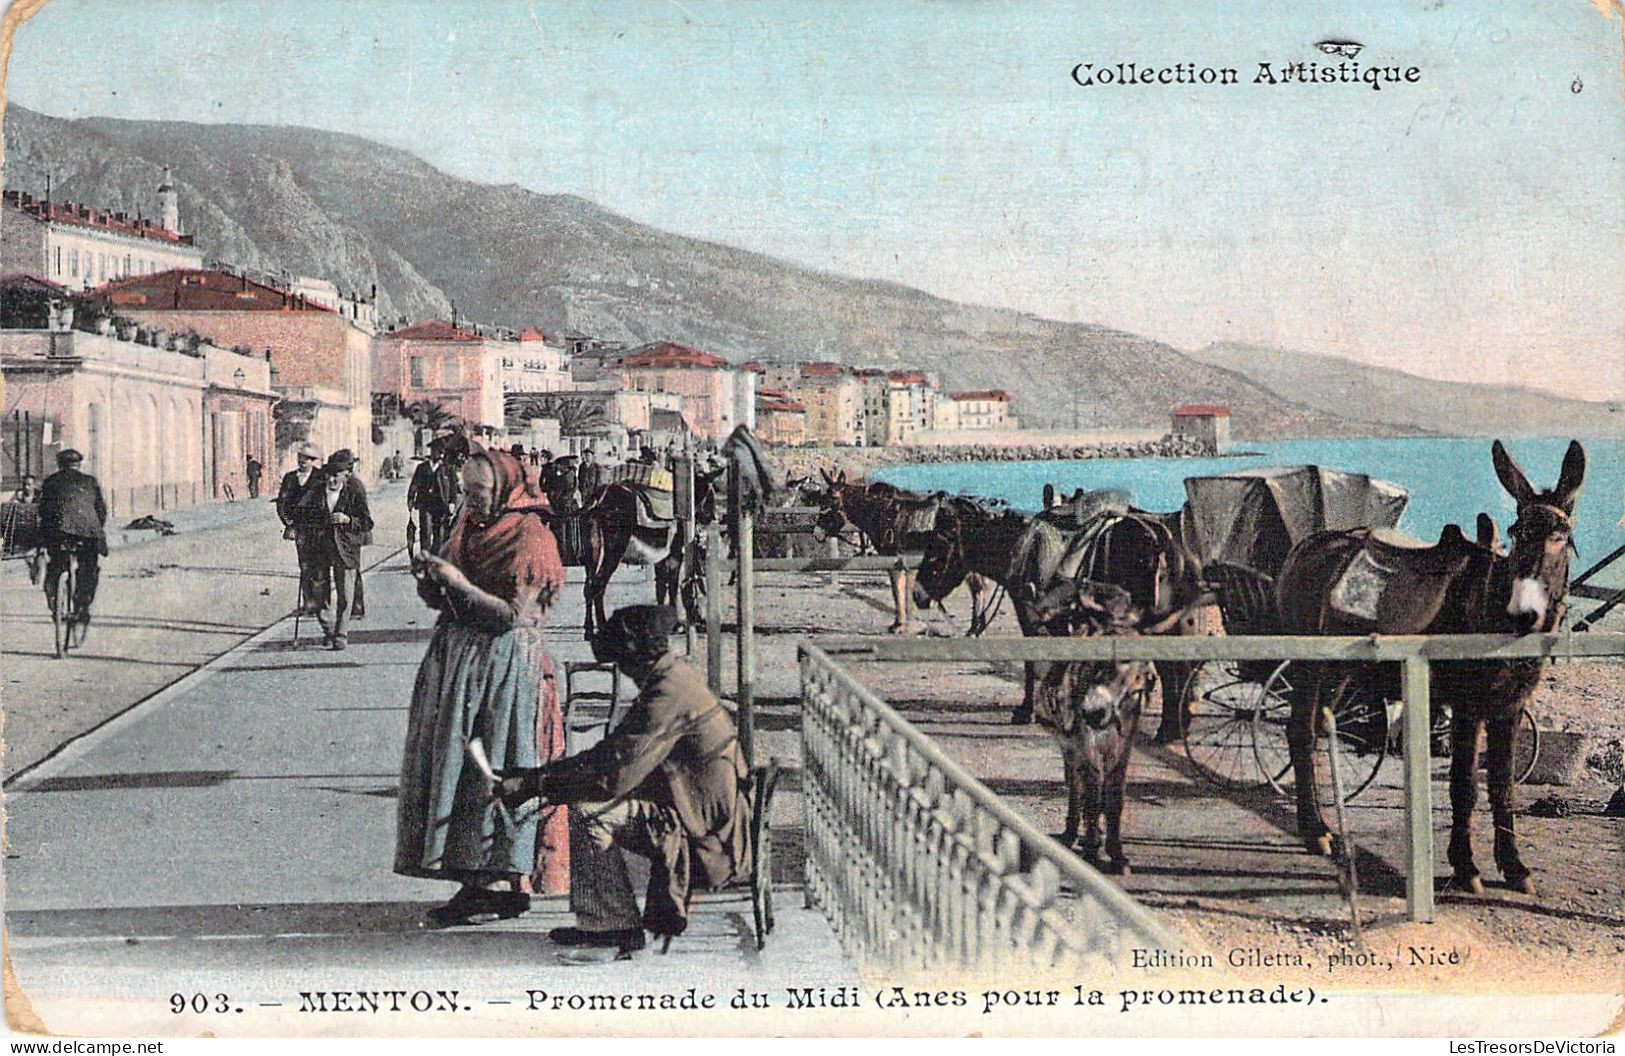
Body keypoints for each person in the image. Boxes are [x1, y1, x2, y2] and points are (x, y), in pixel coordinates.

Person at [496, 604, 751, 954]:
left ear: (638, 658)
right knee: (588, 802)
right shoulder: (673, 677)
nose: (624, 674)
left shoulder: (666, 694)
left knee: (589, 812)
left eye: (621, 664)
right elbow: (612, 754)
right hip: (701, 811)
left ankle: (613, 925)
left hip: (708, 833)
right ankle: (606, 921)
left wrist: (537, 785)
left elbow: (613, 777)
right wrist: (539, 778)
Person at [396, 446, 570, 924]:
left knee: (495, 765)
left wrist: (459, 583)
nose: (469, 500)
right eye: (466, 491)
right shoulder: (467, 526)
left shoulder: (530, 535)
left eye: (479, 492)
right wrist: (432, 581)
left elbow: (517, 617)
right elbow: (447, 596)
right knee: (457, 771)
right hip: (461, 664)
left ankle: (504, 882)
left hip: (506, 670)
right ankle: (476, 882)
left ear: (506, 490)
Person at [292, 449, 373, 650]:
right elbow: (300, 514)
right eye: (328, 475)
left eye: (336, 475)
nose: (332, 479)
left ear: (346, 475)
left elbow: (366, 522)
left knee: (346, 594)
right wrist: (297, 526)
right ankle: (330, 629)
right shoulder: (316, 492)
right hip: (319, 549)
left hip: (345, 550)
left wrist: (348, 519)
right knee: (319, 594)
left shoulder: (354, 491)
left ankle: (341, 634)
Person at [37, 450, 108, 641]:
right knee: (89, 569)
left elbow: (42, 511)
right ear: (78, 465)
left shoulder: (50, 482)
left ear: (60, 465)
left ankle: (55, 603)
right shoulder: (90, 482)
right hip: (87, 534)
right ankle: (82, 607)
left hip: (58, 534)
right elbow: (101, 511)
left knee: (55, 567)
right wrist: (96, 529)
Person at [277, 444, 323, 614]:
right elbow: (282, 503)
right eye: (302, 458)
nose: (304, 462)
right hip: (300, 529)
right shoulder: (290, 478)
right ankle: (308, 603)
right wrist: (289, 523)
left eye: (308, 459)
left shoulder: (321, 478)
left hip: (319, 529)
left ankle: (321, 603)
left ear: (313, 461)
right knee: (305, 566)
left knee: (319, 567)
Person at [407, 441, 455, 555]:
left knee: (439, 532)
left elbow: (453, 487)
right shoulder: (422, 468)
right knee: (426, 531)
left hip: (441, 505)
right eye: (435, 451)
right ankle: (425, 557)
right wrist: (410, 499)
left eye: (439, 451)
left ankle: (436, 555)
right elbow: (414, 484)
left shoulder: (447, 469)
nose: (437, 454)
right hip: (425, 504)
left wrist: (452, 502)